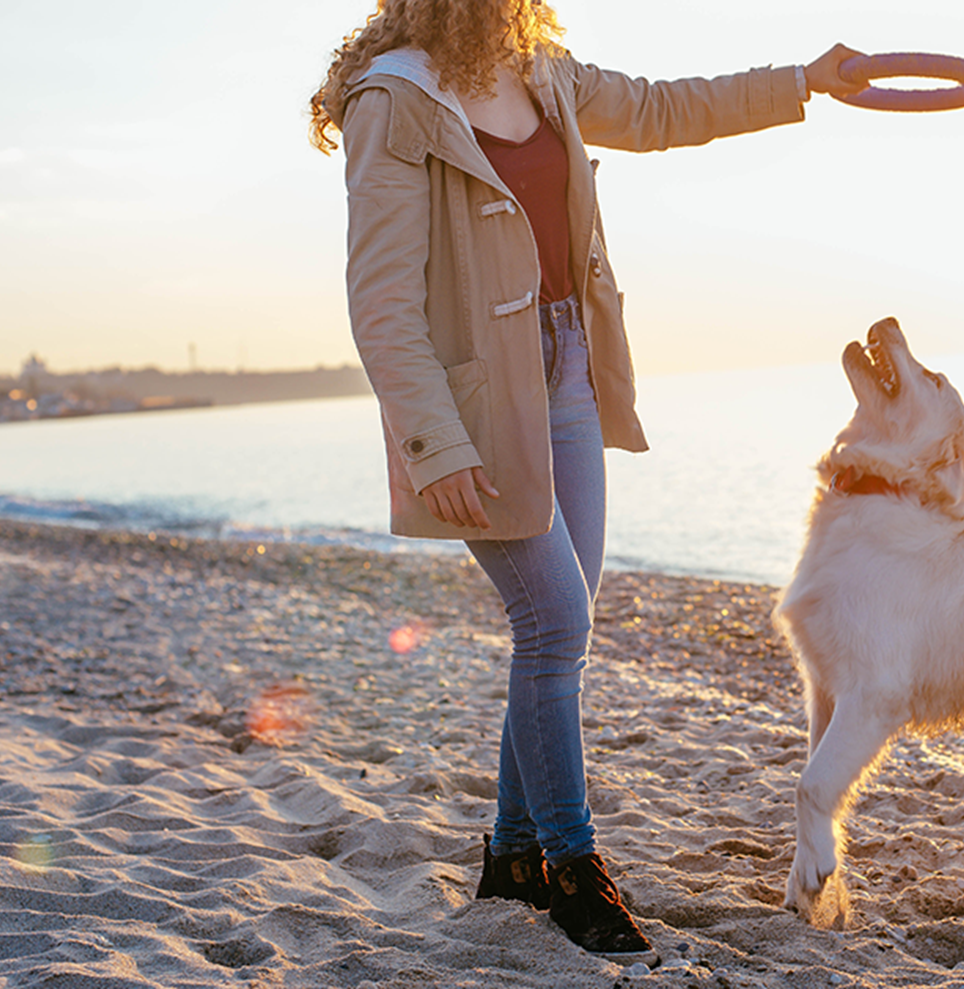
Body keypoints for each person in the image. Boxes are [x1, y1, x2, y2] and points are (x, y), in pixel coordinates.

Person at [307, 0, 863, 958]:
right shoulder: (393, 100)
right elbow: (382, 302)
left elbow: (657, 110)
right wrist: (434, 444)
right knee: (556, 622)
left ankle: (513, 856)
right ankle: (573, 866)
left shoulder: (542, 68)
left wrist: (807, 79)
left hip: (567, 364)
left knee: (555, 631)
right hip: (481, 394)